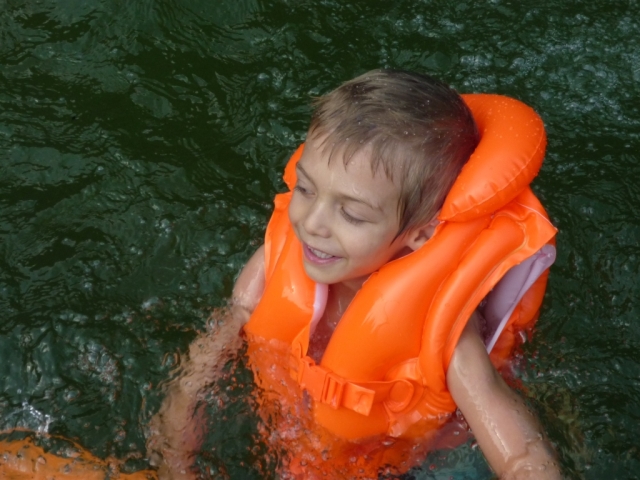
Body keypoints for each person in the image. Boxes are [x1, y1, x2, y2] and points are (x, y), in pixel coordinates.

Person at [147, 69, 562, 479]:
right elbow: (199, 373)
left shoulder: (446, 335)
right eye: (306, 189)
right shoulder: (277, 260)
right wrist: (175, 462)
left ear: (422, 232)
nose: (312, 223)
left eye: (351, 214)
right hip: (289, 439)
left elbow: (521, 457)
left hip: (405, 464)